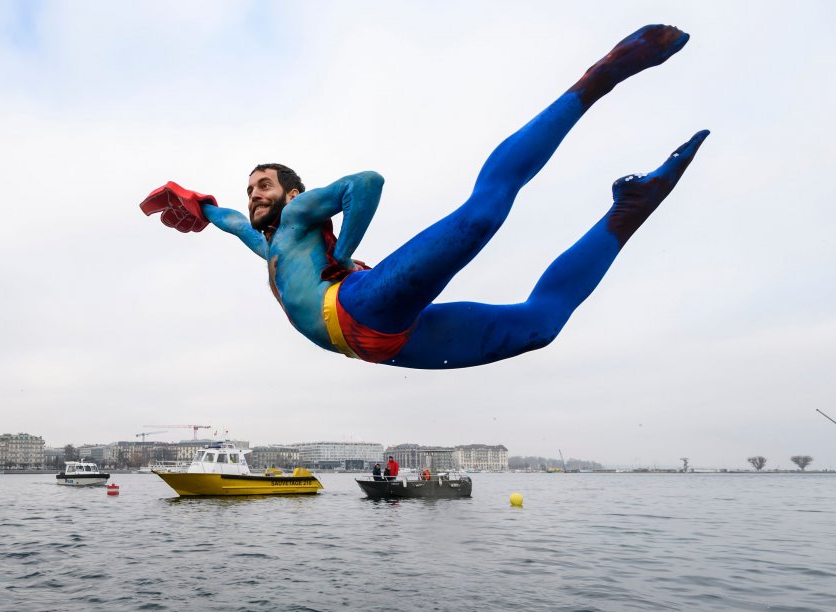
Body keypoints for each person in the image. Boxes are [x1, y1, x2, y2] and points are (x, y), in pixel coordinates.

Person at [140, 25, 708, 369]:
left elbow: (366, 184)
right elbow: (234, 220)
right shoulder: (270, 245)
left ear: (292, 191)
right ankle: (627, 211)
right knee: (538, 328)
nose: (255, 195)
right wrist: (200, 204)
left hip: (359, 303)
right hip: (384, 342)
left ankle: (601, 77)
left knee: (482, 215)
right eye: (251, 189)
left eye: (263, 184)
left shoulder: (299, 212)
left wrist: (345, 253)